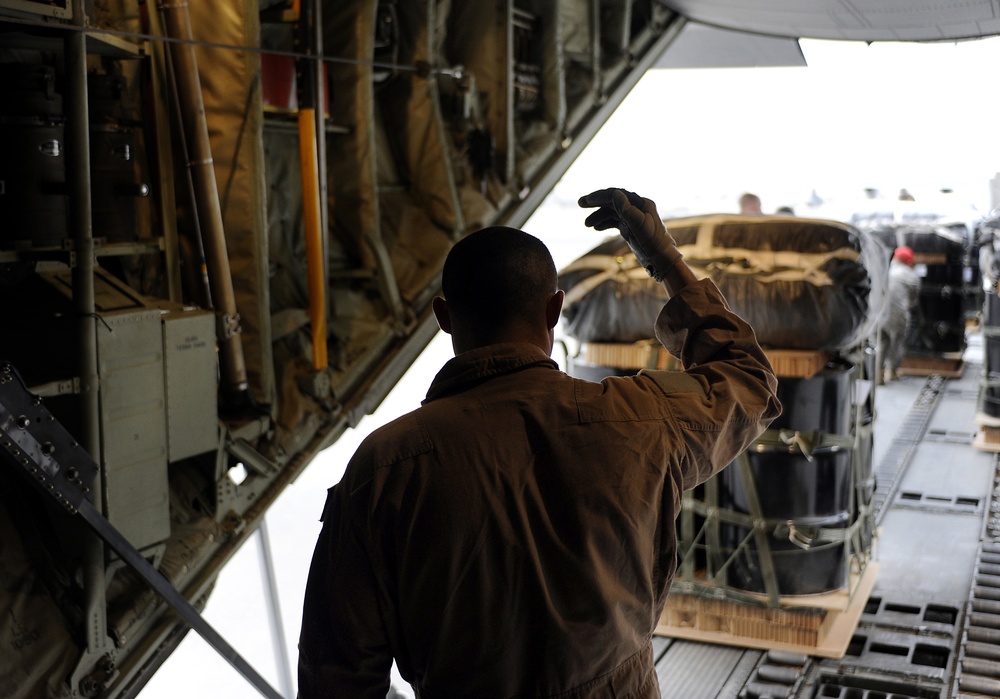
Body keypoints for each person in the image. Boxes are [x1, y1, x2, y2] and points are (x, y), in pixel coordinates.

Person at [297, 188, 781, 698]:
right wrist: (664, 259)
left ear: (443, 316)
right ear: (554, 310)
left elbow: (337, 676)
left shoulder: (383, 469)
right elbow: (747, 378)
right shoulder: (639, 418)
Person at [880, 245, 921, 382]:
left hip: (879, 312)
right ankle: (892, 372)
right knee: (897, 341)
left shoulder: (885, 271)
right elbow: (912, 299)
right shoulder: (911, 275)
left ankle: (877, 375)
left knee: (881, 342)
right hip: (897, 313)